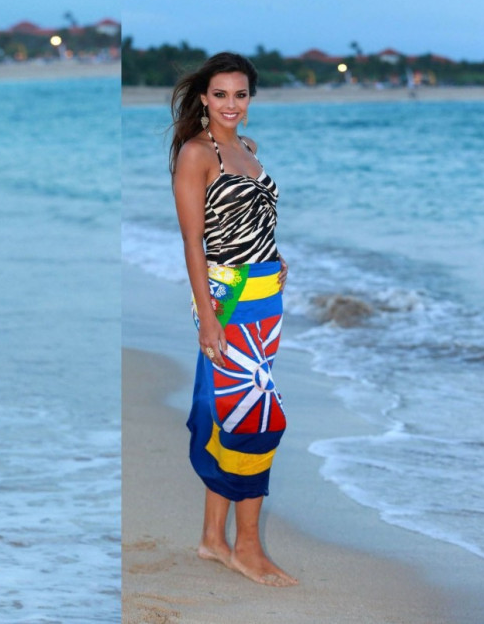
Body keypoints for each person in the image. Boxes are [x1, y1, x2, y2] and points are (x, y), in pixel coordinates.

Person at [170, 52, 297, 587]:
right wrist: (205, 317)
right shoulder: (197, 155)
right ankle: (246, 548)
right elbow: (193, 242)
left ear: (250, 99)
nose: (231, 104)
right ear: (204, 97)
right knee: (256, 420)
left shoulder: (247, 149)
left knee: (232, 415)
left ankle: (211, 540)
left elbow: (251, 220)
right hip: (229, 302)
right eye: (221, 94)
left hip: (266, 301)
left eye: (240, 94)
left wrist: (275, 258)